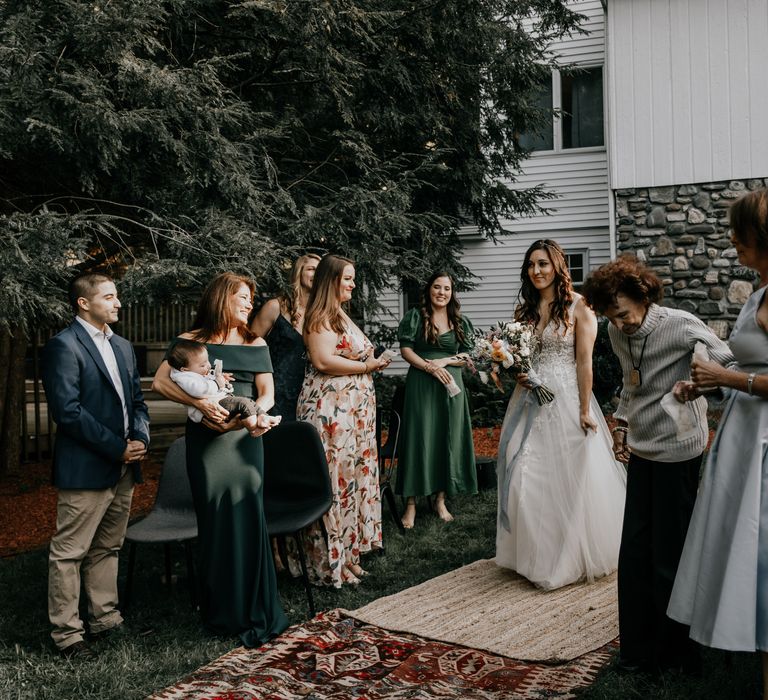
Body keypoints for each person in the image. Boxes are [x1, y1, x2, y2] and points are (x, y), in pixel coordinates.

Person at [582, 255, 732, 674]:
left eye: (625, 314)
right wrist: (621, 426)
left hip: (680, 449)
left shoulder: (680, 325)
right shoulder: (615, 332)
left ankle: (680, 655)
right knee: (634, 555)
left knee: (670, 556)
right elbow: (633, 386)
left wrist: (701, 380)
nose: (621, 323)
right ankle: (636, 650)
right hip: (643, 450)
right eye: (613, 317)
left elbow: (729, 362)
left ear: (643, 296)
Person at [667, 188, 768, 697]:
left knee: (761, 542)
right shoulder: (757, 293)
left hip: (763, 444)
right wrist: (705, 378)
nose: (731, 242)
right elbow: (747, 356)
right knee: (738, 540)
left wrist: (726, 382)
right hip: (743, 433)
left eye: (739, 234)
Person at [151, 272, 287, 646]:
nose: (249, 305)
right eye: (242, 298)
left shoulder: (255, 341)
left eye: (250, 299)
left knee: (247, 517)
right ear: (221, 299)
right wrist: (199, 404)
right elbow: (160, 383)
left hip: (244, 442)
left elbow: (268, 393)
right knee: (214, 521)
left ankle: (254, 606)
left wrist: (247, 418)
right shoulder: (190, 342)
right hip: (207, 445)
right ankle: (222, 612)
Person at [495, 239, 626, 591]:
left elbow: (584, 362)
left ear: (556, 266)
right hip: (528, 400)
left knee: (565, 479)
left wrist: (584, 409)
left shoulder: (579, 306)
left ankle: (562, 559)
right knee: (521, 473)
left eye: (542, 264)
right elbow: (518, 356)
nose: (536, 271)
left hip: (565, 399)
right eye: (531, 265)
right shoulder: (527, 311)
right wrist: (516, 369)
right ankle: (530, 555)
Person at [42, 272, 150, 659]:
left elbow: (137, 401)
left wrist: (140, 439)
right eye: (109, 296)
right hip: (87, 466)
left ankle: (105, 619)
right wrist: (116, 448)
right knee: (70, 551)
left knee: (108, 545)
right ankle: (67, 635)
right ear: (83, 303)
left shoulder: (122, 345)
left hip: (125, 465)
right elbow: (67, 412)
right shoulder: (63, 346)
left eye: (117, 295)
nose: (118, 302)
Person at [295, 254, 390, 587]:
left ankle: (349, 554)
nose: (352, 284)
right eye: (348, 278)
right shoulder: (319, 314)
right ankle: (330, 560)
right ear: (331, 280)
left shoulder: (340, 315)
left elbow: (345, 352)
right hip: (331, 412)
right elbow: (322, 360)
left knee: (351, 483)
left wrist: (369, 358)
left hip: (354, 414)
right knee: (336, 482)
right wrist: (367, 367)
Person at [395, 272, 477, 528]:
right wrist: (430, 367)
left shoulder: (460, 321)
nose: (442, 292)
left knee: (447, 438)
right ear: (429, 289)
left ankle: (440, 499)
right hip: (422, 383)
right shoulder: (415, 316)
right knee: (419, 437)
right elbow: (406, 350)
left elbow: (468, 355)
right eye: (437, 287)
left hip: (451, 388)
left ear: (452, 293)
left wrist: (445, 361)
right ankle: (410, 504)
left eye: (447, 288)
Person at [251, 253, 321, 421]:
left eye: (320, 271)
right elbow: (249, 346)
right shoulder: (275, 307)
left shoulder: (321, 314)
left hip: (309, 394)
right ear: (298, 272)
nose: (316, 274)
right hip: (275, 393)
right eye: (311, 269)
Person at [167, 339, 281, 429]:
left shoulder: (193, 372)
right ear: (184, 369)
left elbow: (205, 378)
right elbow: (199, 390)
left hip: (220, 402)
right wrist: (217, 383)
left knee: (250, 402)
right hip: (216, 406)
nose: (208, 366)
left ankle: (263, 417)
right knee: (243, 403)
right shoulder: (185, 378)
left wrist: (219, 377)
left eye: (207, 361)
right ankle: (253, 427)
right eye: (202, 365)